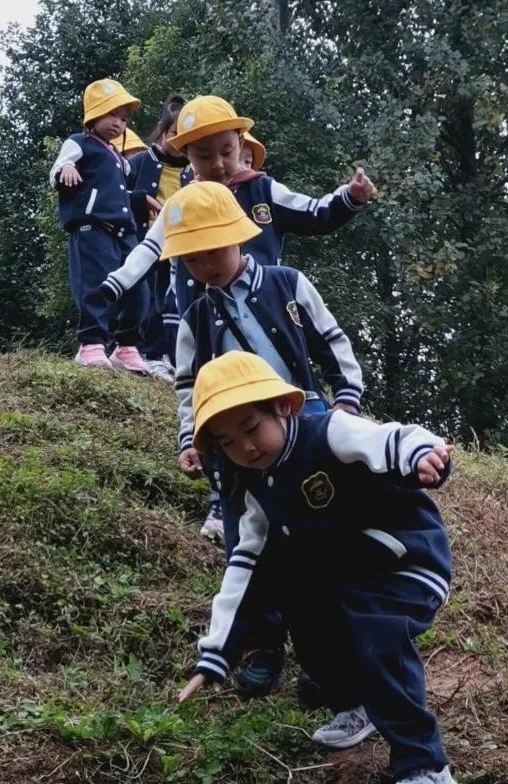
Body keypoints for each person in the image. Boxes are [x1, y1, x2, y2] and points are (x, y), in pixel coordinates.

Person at [179, 351, 459, 784]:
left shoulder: (327, 432)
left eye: (251, 428)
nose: (245, 448)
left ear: (282, 408)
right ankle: (357, 703)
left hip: (405, 560)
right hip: (346, 574)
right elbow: (243, 567)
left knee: (376, 634)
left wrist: (421, 456)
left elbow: (391, 438)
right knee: (298, 603)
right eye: (227, 442)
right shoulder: (255, 487)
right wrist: (217, 652)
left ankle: (426, 769)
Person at [96, 94, 375, 530]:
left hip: (268, 313)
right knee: (226, 416)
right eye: (203, 155)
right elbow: (149, 250)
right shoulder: (180, 208)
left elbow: (313, 213)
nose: (219, 163)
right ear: (183, 153)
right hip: (208, 323)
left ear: (242, 144)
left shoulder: (264, 196)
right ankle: (226, 505)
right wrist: (114, 285)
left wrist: (350, 198)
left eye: (226, 151)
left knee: (287, 421)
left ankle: (323, 509)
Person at [163, 180, 364, 698]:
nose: (204, 265)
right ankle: (261, 648)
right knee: (247, 547)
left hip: (305, 432)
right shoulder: (196, 319)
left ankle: (326, 660)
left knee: (319, 543)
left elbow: (331, 340)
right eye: (191, 258)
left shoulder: (288, 284)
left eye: (212, 250)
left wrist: (346, 399)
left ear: (238, 235)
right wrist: (192, 438)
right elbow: (188, 386)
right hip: (236, 452)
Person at [49, 78, 153, 373]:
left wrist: (141, 199)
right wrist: (67, 168)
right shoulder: (79, 143)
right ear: (93, 114)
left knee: (137, 286)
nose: (118, 123)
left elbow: (116, 192)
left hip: (124, 232)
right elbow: (58, 169)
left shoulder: (119, 158)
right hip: (92, 228)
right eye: (111, 115)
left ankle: (127, 345)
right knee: (95, 285)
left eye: (123, 118)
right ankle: (91, 343)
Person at [127, 94, 190, 381]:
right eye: (173, 133)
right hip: (144, 241)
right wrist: (143, 201)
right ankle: (143, 352)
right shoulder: (140, 161)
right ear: (162, 130)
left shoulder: (193, 171)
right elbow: (117, 195)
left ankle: (167, 356)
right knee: (143, 297)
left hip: (178, 245)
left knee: (171, 302)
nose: (177, 141)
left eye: (184, 136)